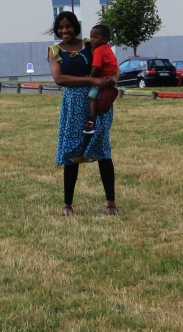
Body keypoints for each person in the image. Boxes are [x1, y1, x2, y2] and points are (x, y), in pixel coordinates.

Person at [47, 12, 119, 216]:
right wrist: (92, 81)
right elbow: (59, 79)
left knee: (102, 149)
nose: (64, 30)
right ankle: (67, 205)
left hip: (98, 101)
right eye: (60, 27)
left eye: (68, 26)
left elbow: (112, 65)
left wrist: (113, 79)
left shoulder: (92, 44)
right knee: (72, 152)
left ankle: (111, 204)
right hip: (73, 105)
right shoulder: (55, 50)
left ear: (76, 26)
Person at [83, 24, 118, 135]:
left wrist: (90, 77)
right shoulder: (107, 48)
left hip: (103, 78)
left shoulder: (98, 50)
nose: (92, 40)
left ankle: (91, 122)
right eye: (91, 36)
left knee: (92, 97)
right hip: (111, 76)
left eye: (95, 37)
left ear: (104, 39)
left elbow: (96, 66)